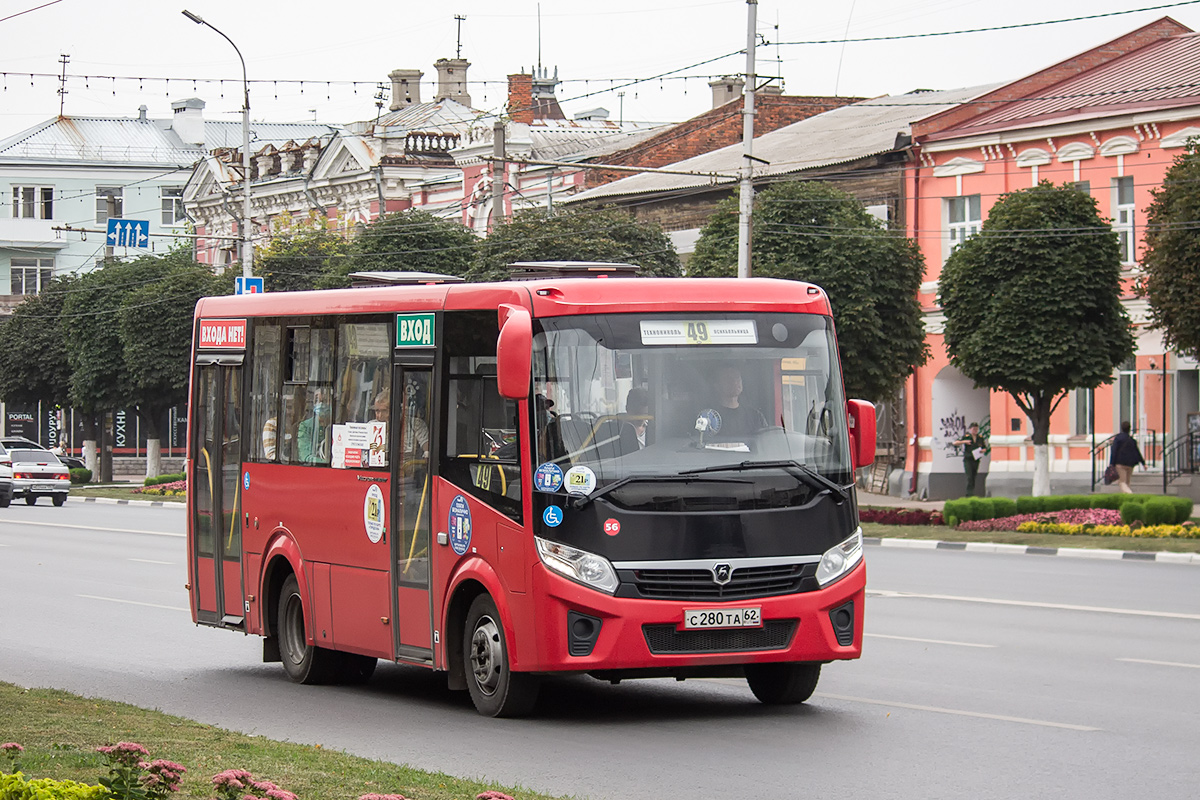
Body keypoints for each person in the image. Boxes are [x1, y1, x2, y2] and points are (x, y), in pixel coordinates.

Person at [697, 364, 768, 437]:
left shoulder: (755, 416)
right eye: (728, 379)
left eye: (737, 378)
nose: (735, 382)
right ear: (716, 386)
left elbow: (765, 442)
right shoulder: (708, 418)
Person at [952, 422, 989, 497]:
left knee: (973, 476)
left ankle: (972, 493)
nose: (975, 430)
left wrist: (983, 450)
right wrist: (964, 442)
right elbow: (955, 443)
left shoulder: (980, 438)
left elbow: (985, 448)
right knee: (969, 476)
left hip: (976, 460)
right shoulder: (967, 436)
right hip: (968, 459)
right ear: (970, 429)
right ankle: (969, 494)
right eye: (973, 429)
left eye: (976, 429)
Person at [1109, 420, 1145, 494]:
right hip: (1130, 464)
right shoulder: (1132, 440)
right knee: (1127, 482)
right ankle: (1127, 499)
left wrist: (1112, 463)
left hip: (1120, 464)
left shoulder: (1118, 439)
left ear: (1121, 428)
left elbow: (1114, 451)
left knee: (1122, 482)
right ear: (1129, 429)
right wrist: (1143, 463)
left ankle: (1130, 493)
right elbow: (1137, 452)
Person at [619, 387, 652, 453]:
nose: (641, 418)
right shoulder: (617, 431)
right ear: (627, 409)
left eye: (645, 414)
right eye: (637, 414)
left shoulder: (653, 430)